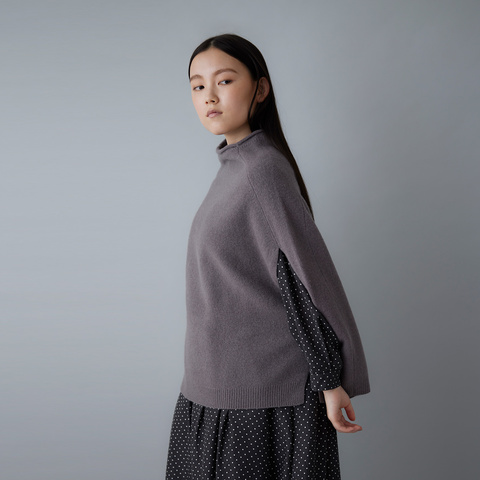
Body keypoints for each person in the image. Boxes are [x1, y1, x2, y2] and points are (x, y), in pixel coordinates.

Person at [166, 33, 370, 479]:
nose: (209, 96)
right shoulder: (234, 168)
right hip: (215, 386)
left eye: (224, 81)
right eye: (198, 85)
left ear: (260, 88)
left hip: (262, 400)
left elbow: (298, 280)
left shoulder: (262, 171)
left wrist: (329, 381)